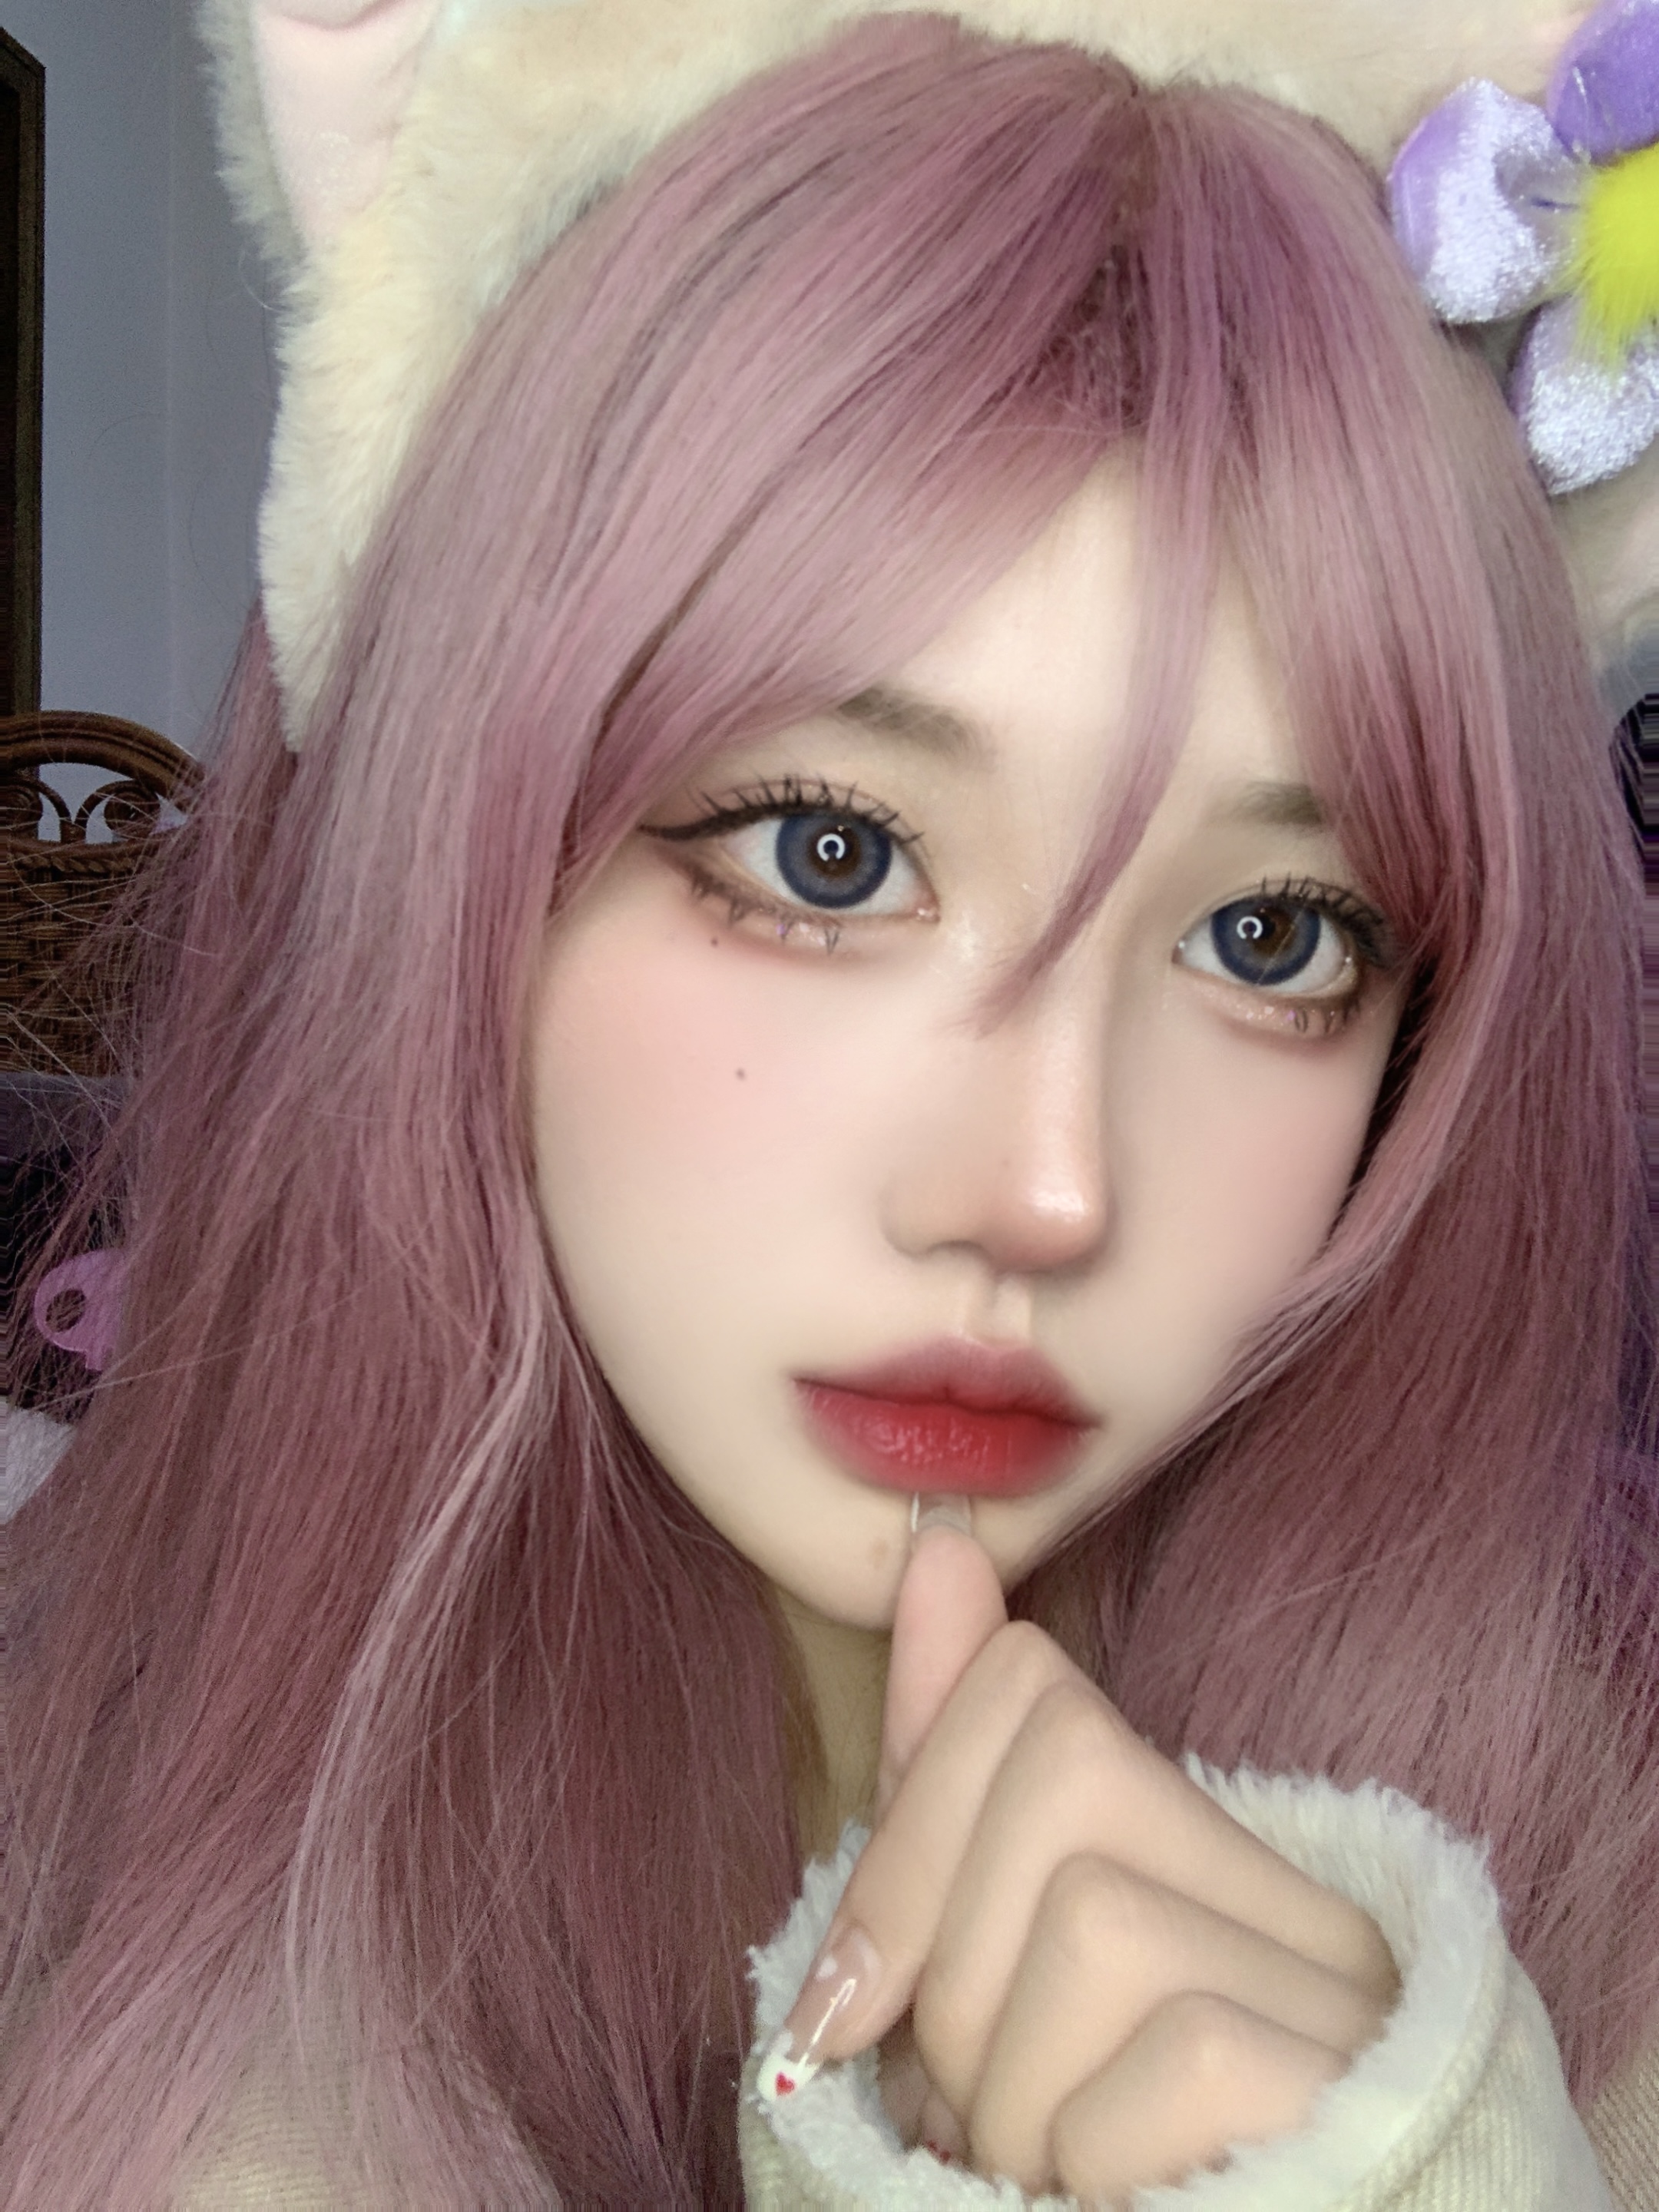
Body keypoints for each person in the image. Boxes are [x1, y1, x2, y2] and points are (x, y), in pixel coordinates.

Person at [3, 5, 1656, 2204]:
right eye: (833, 854)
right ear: (455, 862)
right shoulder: (60, 1845)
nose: (1046, 1190)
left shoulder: (1610, 1881)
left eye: (1273, 938)